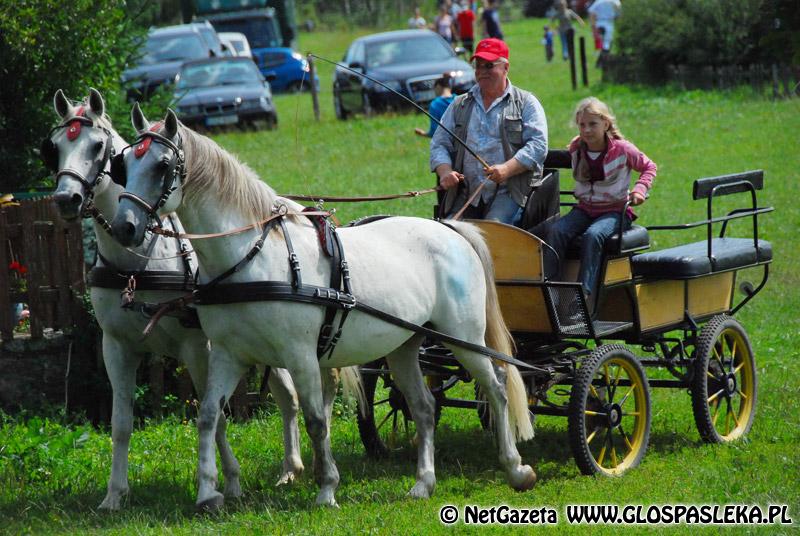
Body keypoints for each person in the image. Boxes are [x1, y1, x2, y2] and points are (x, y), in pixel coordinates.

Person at [545, 97, 657, 310]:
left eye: (593, 124)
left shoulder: (623, 149)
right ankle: (553, 289)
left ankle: (583, 296)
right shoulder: (578, 147)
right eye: (582, 125)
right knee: (556, 231)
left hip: (615, 211)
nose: (587, 130)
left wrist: (640, 189)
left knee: (593, 235)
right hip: (585, 208)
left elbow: (649, 167)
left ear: (606, 123)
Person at [430, 38, 548, 224]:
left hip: (510, 192)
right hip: (467, 192)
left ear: (505, 67)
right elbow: (439, 143)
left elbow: (538, 145)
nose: (482, 72)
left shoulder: (526, 103)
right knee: (448, 232)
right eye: (478, 66)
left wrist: (507, 169)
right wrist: (445, 171)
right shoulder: (459, 105)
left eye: (489, 66)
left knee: (492, 231)